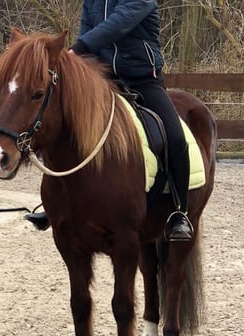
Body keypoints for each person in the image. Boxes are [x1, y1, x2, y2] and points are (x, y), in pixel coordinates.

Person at [25, 0, 193, 241]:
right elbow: (87, 33)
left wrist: (77, 48)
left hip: (142, 78)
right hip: (103, 79)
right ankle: (54, 203)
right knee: (61, 127)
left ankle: (179, 212)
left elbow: (119, 23)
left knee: (174, 136)